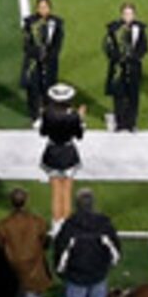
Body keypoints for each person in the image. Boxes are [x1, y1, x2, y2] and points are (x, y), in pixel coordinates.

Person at [37, 85, 87, 226]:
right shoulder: (73, 116)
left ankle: (56, 224)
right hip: (68, 152)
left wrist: (43, 116)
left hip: (52, 152)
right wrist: (81, 119)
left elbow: (43, 133)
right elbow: (79, 136)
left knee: (56, 190)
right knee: (67, 190)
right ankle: (66, 225)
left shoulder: (48, 113)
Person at [101, 3, 148, 133]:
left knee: (133, 96)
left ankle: (131, 123)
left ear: (134, 15)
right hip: (118, 68)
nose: (128, 16)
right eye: (125, 14)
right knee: (119, 96)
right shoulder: (114, 28)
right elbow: (107, 46)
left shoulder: (140, 28)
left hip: (134, 67)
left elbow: (144, 47)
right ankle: (120, 122)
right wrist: (117, 57)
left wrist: (133, 57)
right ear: (121, 14)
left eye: (130, 14)